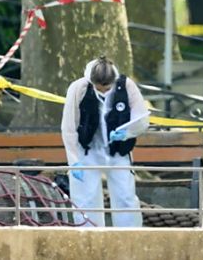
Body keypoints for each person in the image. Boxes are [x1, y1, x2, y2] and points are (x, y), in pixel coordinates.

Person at [61, 56, 150, 227]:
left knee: (125, 196)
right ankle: (89, 236)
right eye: (98, 88)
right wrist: (74, 161)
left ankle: (129, 237)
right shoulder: (78, 88)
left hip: (118, 150)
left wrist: (127, 132)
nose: (103, 92)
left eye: (107, 88)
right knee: (86, 198)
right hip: (87, 150)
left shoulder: (126, 86)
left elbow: (142, 119)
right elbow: (69, 127)